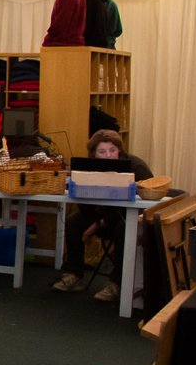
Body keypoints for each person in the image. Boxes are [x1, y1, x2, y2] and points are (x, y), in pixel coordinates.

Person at [52, 129, 151, 301]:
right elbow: (83, 203)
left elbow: (146, 204)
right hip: (101, 217)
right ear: (94, 154)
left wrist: (100, 224)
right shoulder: (88, 168)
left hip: (127, 220)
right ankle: (73, 273)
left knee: (124, 226)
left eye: (112, 150)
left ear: (119, 150)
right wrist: (97, 222)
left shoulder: (136, 167)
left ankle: (116, 283)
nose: (108, 156)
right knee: (73, 220)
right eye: (102, 152)